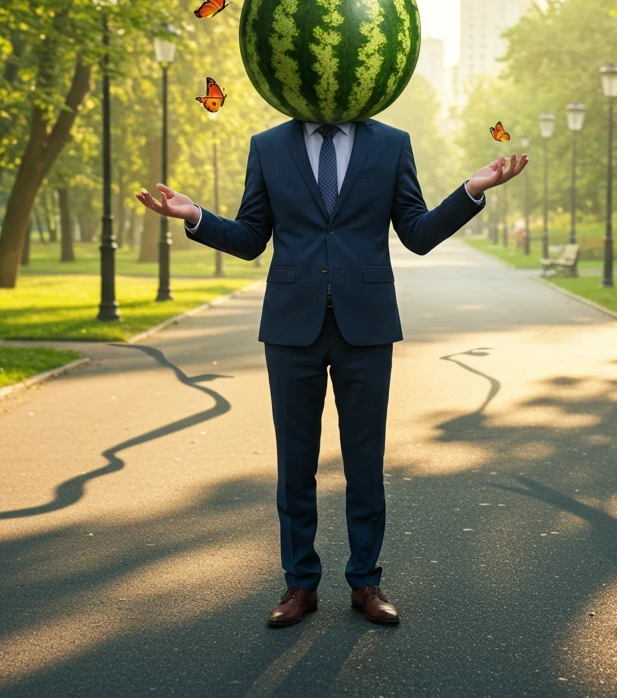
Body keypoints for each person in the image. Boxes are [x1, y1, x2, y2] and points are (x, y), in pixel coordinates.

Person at [136, 117, 527, 627]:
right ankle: (299, 584)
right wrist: (197, 217)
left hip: (365, 325)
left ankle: (366, 581)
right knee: (295, 464)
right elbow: (253, 237)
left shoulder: (392, 141)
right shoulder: (268, 145)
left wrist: (470, 192)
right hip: (290, 326)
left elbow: (417, 233)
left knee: (365, 461)